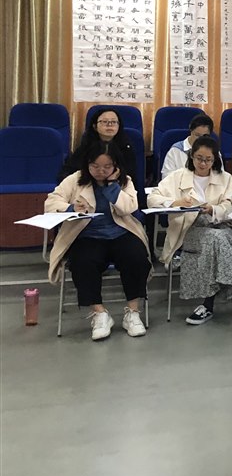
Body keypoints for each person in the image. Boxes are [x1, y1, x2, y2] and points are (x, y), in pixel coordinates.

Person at [45, 141, 151, 340]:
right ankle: (99, 313)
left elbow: (129, 207)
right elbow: (51, 202)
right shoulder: (75, 180)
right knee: (82, 262)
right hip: (87, 235)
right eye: (95, 166)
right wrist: (70, 208)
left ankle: (133, 311)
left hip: (121, 232)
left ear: (115, 166)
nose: (100, 171)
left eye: (107, 167)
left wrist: (111, 187)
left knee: (136, 258)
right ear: (87, 164)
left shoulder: (124, 181)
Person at [149, 136, 232, 325]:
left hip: (221, 225)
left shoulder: (225, 178)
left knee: (215, 239)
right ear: (191, 156)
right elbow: (152, 198)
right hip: (190, 230)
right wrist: (175, 202)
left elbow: (230, 206)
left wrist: (213, 209)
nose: (203, 163)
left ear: (215, 160)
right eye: (199, 158)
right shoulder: (178, 176)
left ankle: (207, 307)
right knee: (217, 239)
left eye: (208, 160)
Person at [59, 108, 139, 187]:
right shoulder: (86, 146)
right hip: (87, 187)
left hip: (118, 187)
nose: (109, 124)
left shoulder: (126, 148)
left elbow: (130, 176)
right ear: (95, 126)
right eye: (104, 121)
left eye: (114, 122)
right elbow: (70, 172)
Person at [160, 113, 215, 179]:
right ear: (191, 130)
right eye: (197, 135)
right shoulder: (175, 151)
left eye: (205, 136)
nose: (200, 139)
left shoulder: (213, 151)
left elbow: (220, 176)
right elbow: (166, 178)